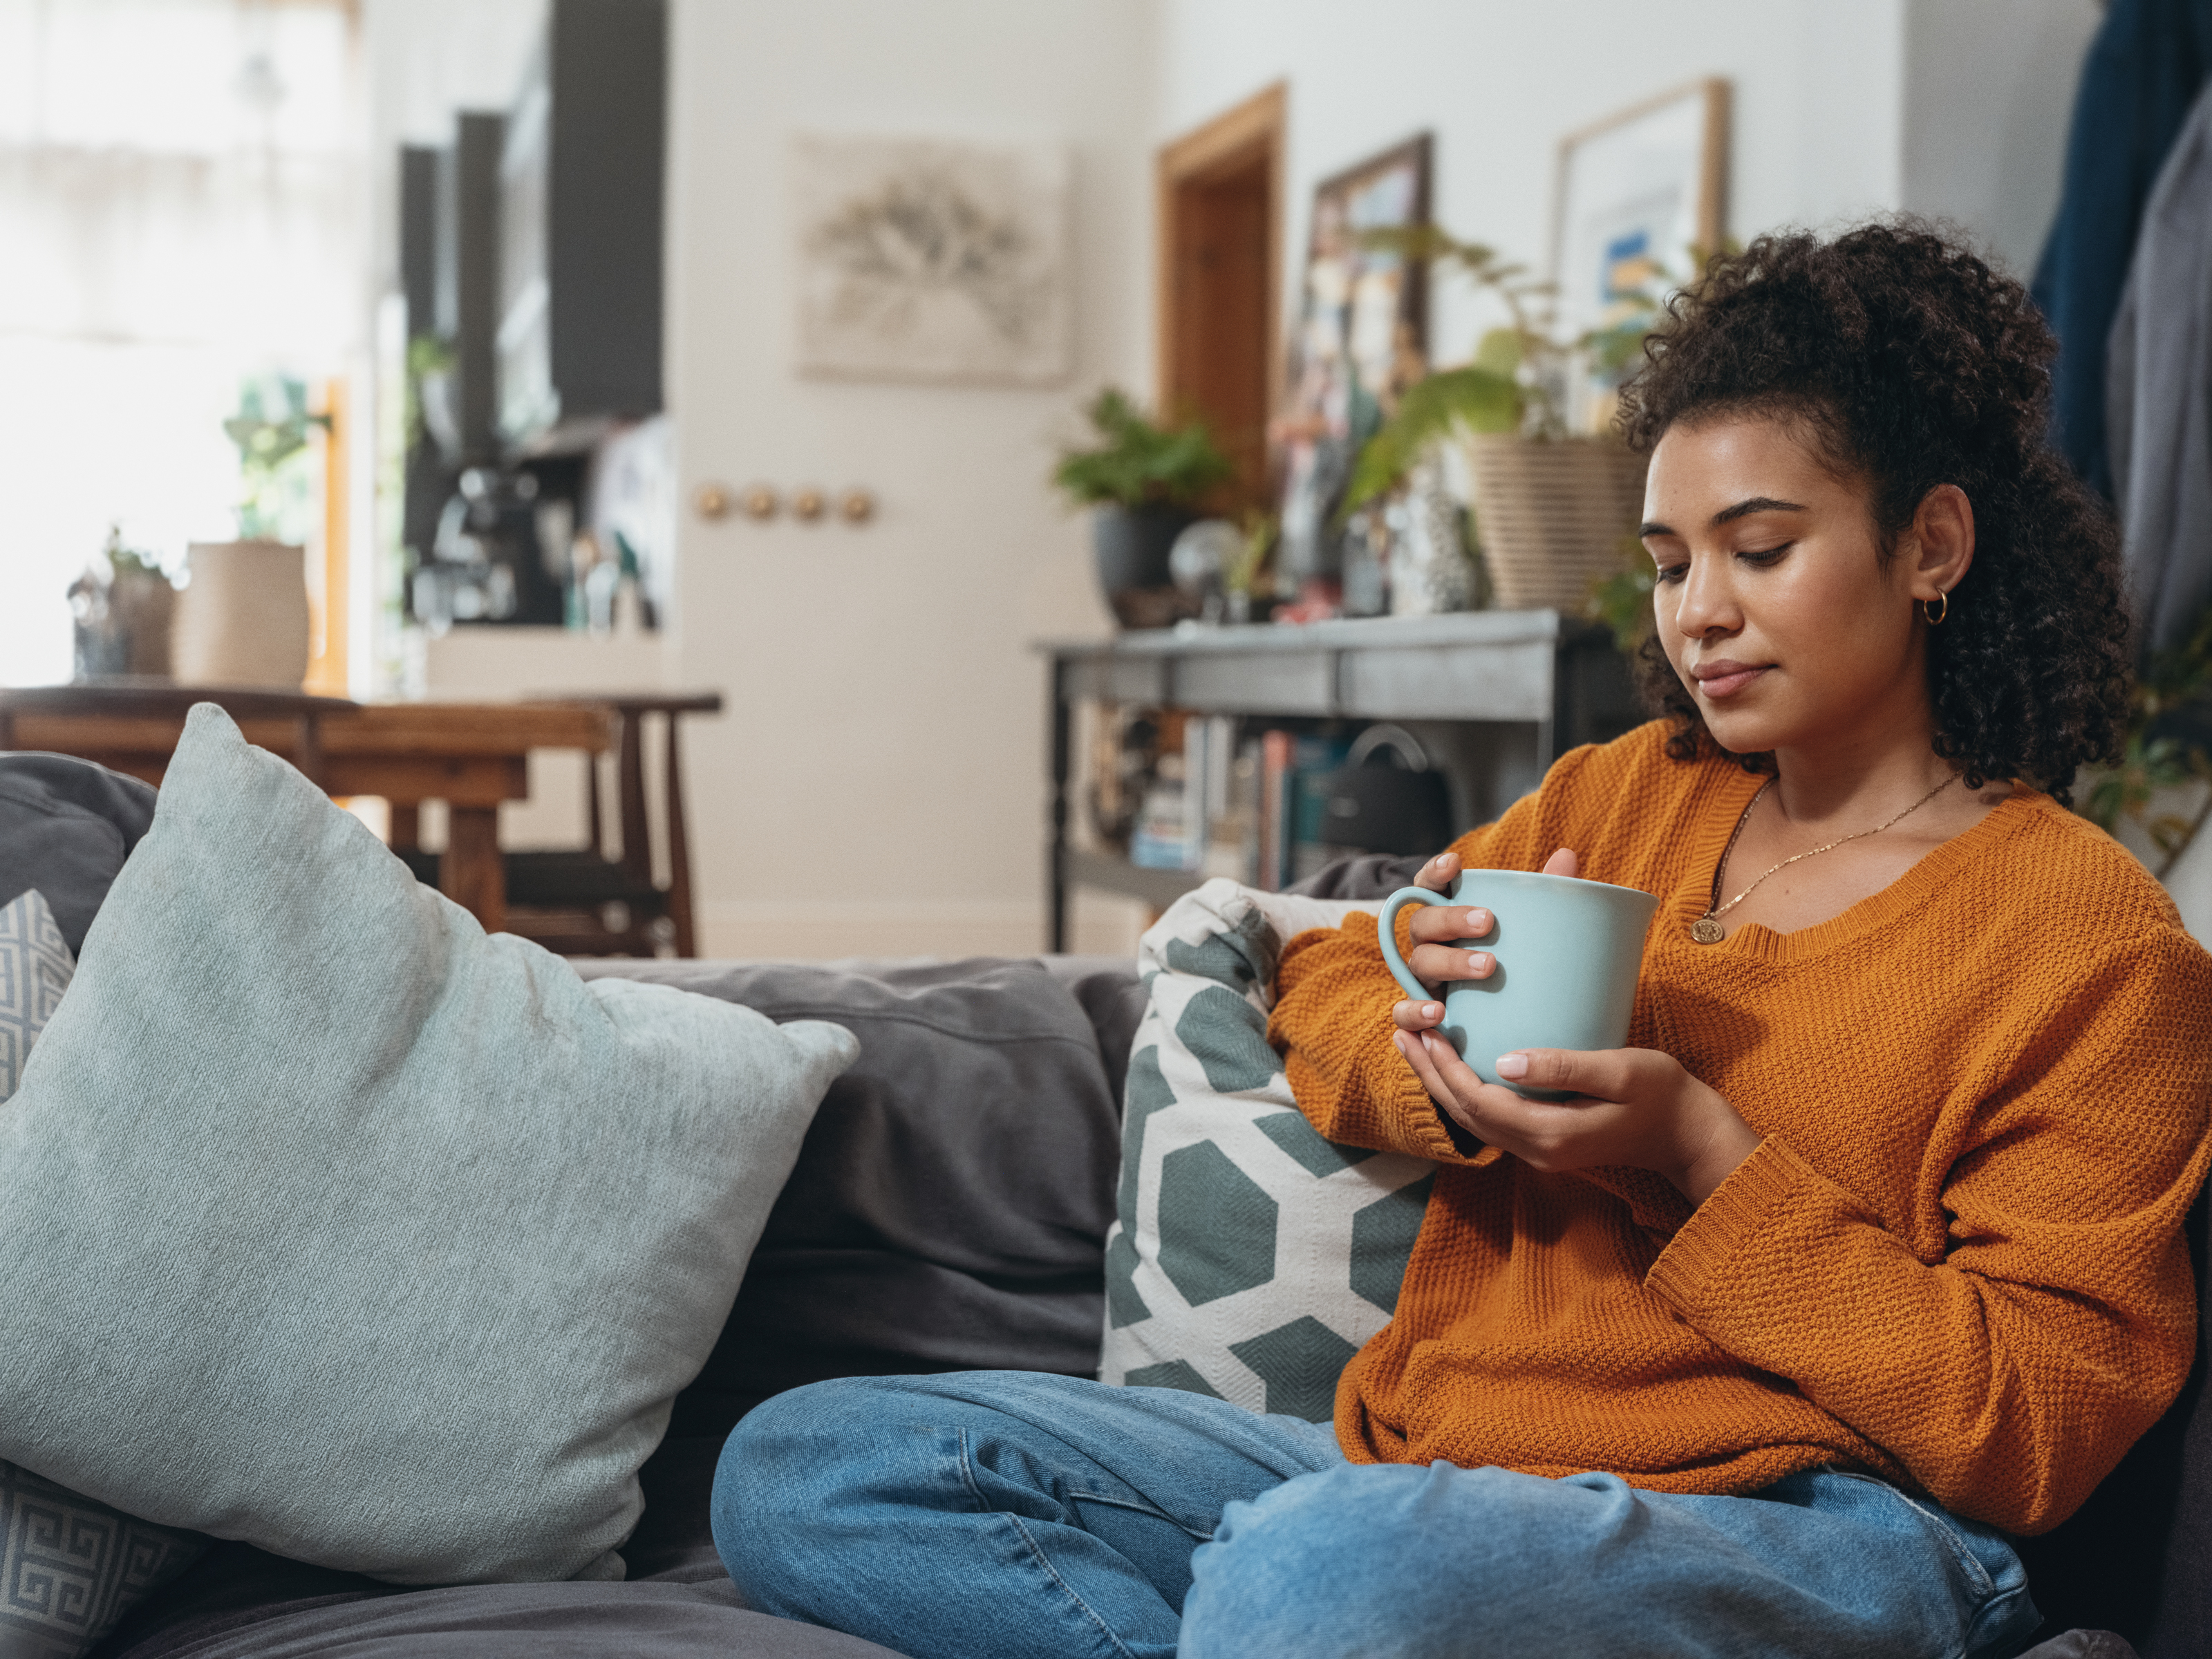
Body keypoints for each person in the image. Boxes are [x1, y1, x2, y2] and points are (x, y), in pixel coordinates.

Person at [709, 223, 2212, 1658]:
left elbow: (2036, 1424)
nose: (1699, 613)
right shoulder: (1619, 796)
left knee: (1317, 1578)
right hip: (1431, 1480)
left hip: (1818, 1526)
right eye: (1671, 560)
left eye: (1758, 548)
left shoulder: (2087, 940)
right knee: (808, 1462)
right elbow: (1343, 969)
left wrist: (1698, 1154)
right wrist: (1430, 1057)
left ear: (1930, 542)